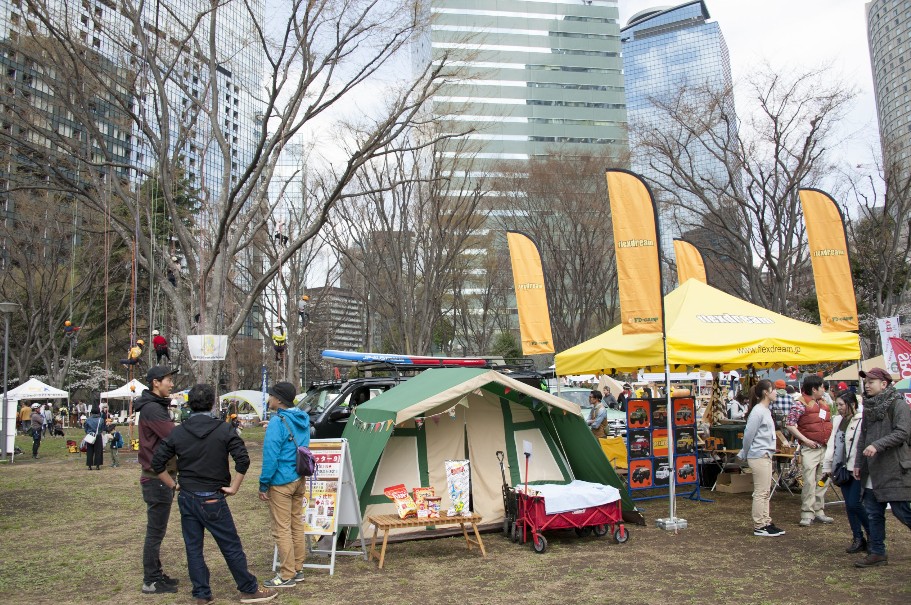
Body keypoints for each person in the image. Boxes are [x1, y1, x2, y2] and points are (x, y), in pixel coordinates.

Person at [151, 384, 277, 604]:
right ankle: (248, 589)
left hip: (188, 497)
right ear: (212, 403)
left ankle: (202, 594)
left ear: (189, 404)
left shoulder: (178, 432)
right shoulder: (224, 429)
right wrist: (235, 486)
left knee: (193, 548)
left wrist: (173, 485)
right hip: (212, 497)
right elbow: (243, 459)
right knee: (230, 545)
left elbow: (157, 462)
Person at [852, 367, 911, 568]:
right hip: (872, 470)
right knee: (873, 512)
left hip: (894, 468)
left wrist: (877, 445)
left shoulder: (898, 405)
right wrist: (859, 462)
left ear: (884, 384)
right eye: (865, 382)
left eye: (871, 382)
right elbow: (863, 438)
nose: (866, 385)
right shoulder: (869, 406)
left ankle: (877, 551)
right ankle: (877, 552)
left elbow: (902, 432)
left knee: (901, 512)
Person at [258, 381, 311, 589]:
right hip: (299, 478)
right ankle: (297, 569)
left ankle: (287, 574)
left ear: (278, 399)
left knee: (281, 529)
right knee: (296, 524)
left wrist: (264, 484)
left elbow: (270, 456)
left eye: (270, 395)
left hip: (281, 481)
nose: (268, 399)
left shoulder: (277, 422)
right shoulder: (302, 419)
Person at [135, 365, 181, 595]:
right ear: (155, 382)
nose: (171, 384)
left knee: (158, 531)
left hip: (161, 477)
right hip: (157, 479)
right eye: (168, 380)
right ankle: (151, 580)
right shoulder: (153, 409)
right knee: (155, 532)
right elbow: (173, 436)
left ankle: (156, 573)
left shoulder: (154, 406)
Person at [736, 379, 785, 537]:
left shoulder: (765, 410)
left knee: (765, 491)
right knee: (761, 492)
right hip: (759, 455)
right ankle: (759, 524)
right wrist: (744, 451)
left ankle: (766, 521)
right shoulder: (757, 411)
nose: (776, 392)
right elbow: (749, 435)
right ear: (766, 392)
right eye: (774, 389)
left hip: (765, 453)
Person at [823, 390, 869, 554]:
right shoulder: (838, 420)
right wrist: (827, 466)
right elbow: (832, 444)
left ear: (852, 404)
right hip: (840, 467)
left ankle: (872, 534)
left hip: (856, 468)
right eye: (837, 404)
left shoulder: (862, 419)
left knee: (854, 503)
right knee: (849, 506)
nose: (839, 408)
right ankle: (858, 537)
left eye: (841, 404)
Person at [786, 374, 834, 526]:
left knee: (822, 479)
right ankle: (807, 512)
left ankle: (819, 509)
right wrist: (805, 440)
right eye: (821, 387)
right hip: (810, 449)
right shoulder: (800, 404)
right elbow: (790, 424)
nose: (823, 389)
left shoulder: (823, 402)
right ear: (814, 389)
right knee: (809, 480)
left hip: (824, 447)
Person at [83, 405, 110, 470]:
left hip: (90, 435)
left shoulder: (88, 419)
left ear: (91, 412)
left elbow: (86, 428)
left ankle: (89, 465)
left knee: (90, 451)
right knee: (98, 451)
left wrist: (88, 432)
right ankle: (97, 465)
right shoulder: (101, 419)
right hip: (98, 435)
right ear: (98, 412)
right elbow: (102, 428)